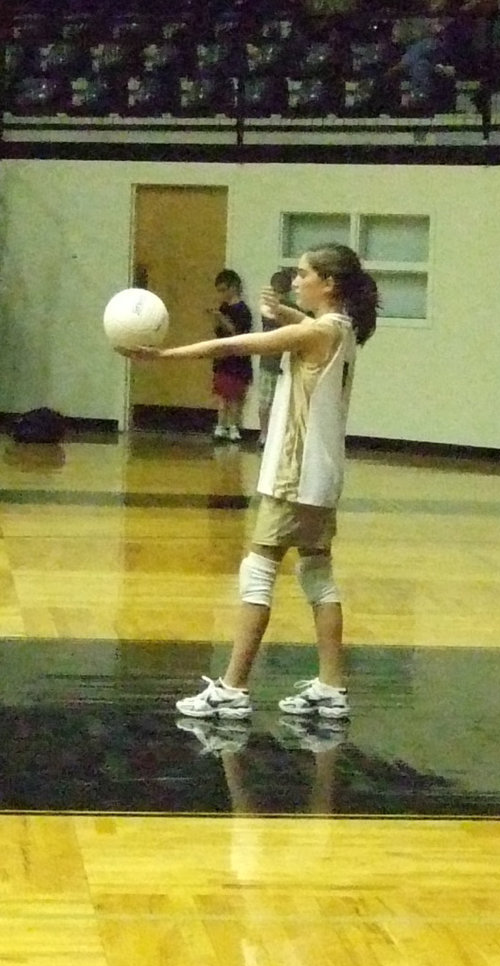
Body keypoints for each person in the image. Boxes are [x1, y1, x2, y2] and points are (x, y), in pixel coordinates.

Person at [116, 244, 378, 720]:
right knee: (317, 575)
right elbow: (307, 324)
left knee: (257, 573)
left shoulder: (316, 332)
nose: (295, 280)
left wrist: (162, 355)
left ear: (329, 284)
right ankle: (331, 686)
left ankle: (232, 689)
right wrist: (286, 311)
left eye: (303, 275)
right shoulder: (343, 327)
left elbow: (231, 345)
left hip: (293, 475)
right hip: (323, 475)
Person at [209, 268, 253, 443]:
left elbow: (238, 334)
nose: (221, 294)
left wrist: (222, 318)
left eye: (223, 290)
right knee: (221, 395)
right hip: (222, 358)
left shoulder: (243, 310)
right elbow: (218, 332)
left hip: (237, 360)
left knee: (234, 396)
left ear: (233, 287)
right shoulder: (223, 307)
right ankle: (220, 426)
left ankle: (233, 426)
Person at [258, 267, 296, 448]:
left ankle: (277, 436)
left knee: (283, 404)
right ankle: (264, 434)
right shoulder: (267, 307)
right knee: (265, 402)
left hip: (286, 362)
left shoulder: (293, 309)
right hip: (269, 360)